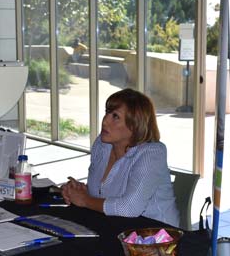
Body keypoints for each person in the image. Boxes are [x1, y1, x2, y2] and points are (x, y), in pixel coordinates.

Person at [62, 88, 179, 226]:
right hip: (116, 227)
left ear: (135, 125)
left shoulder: (151, 153)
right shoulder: (102, 145)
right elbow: (102, 194)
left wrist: (84, 200)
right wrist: (80, 191)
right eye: (107, 112)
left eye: (115, 117)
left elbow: (129, 208)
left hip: (155, 237)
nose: (105, 121)